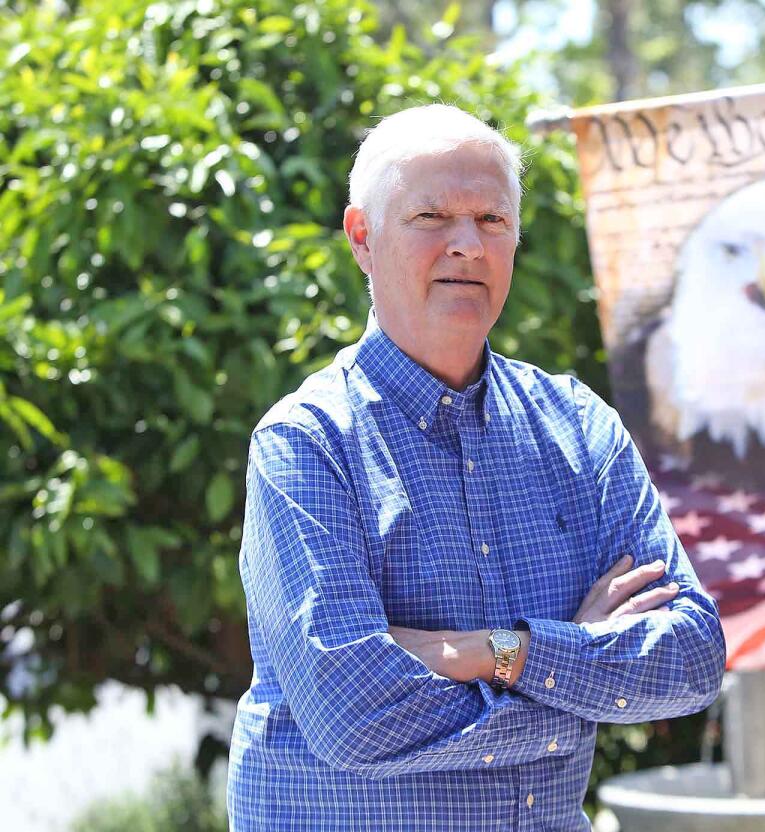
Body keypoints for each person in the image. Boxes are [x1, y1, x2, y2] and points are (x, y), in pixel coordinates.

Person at [225, 104, 726, 831]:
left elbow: (689, 657)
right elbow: (354, 714)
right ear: (362, 238)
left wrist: (498, 654)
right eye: (431, 216)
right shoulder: (307, 444)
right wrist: (572, 688)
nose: (467, 245)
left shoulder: (580, 430)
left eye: (491, 221)